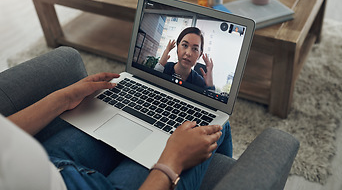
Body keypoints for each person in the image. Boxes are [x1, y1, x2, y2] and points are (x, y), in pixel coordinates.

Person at [2, 72, 233, 190]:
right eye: (185, 45)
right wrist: (171, 162)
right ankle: (234, 175)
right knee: (216, 125)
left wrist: (64, 98)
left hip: (50, 163)